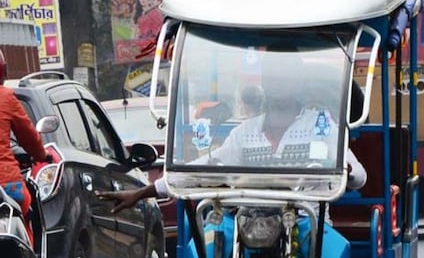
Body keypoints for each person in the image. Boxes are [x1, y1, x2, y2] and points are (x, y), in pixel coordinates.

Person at [100, 77, 367, 215]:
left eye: (285, 79)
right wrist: (143, 192)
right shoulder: (244, 133)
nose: (279, 86)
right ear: (264, 84)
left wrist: (346, 171)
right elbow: (203, 168)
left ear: (298, 84)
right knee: (207, 256)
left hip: (309, 224)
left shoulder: (321, 126)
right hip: (250, 225)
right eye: (273, 79)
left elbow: (358, 174)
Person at [0, 51, 51, 244]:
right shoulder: (6, 97)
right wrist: (42, 154)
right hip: (7, 183)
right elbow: (29, 137)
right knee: (25, 209)